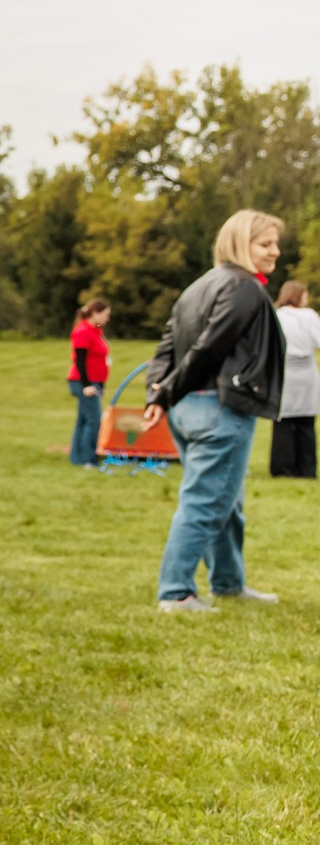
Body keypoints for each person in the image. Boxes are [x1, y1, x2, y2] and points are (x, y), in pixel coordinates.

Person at [144, 209, 285, 612]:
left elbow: (166, 346)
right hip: (218, 409)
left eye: (276, 243)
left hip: (189, 409)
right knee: (205, 503)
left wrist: (158, 393)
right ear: (240, 243)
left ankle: (228, 582)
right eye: (265, 244)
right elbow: (209, 347)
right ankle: (176, 592)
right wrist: (166, 390)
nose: (275, 251)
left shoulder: (199, 285)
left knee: (227, 499)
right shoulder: (244, 288)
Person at [271, 281, 320, 479]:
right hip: (305, 373)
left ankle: (282, 468)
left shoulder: (276, 315)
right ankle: (307, 469)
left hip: (284, 373)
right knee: (306, 424)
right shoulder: (308, 316)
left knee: (282, 422)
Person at [67, 299, 111, 466]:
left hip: (95, 382)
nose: (107, 319)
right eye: (105, 315)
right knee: (93, 420)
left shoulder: (96, 331)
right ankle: (88, 459)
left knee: (83, 420)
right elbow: (80, 360)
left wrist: (101, 385)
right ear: (95, 313)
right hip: (83, 382)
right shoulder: (83, 331)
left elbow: (100, 359)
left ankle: (77, 457)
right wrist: (86, 385)